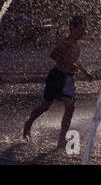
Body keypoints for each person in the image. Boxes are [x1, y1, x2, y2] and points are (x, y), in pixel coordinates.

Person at [23, 16, 94, 148]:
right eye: (81, 28)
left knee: (70, 106)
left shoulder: (78, 44)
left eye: (84, 29)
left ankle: (62, 139)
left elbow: (75, 60)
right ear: (72, 28)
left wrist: (85, 73)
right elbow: (54, 55)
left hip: (68, 79)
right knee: (45, 106)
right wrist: (67, 62)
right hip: (56, 76)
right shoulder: (65, 42)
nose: (83, 31)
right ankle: (28, 123)